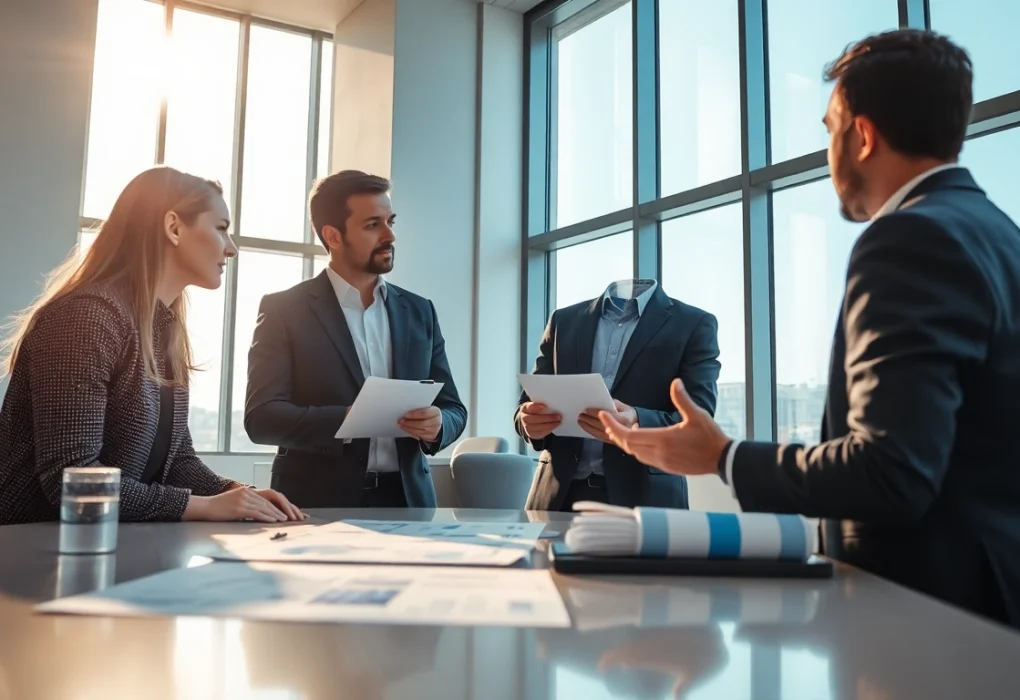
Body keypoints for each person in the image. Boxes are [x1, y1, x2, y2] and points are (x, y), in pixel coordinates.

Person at [600, 29, 1020, 628]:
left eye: (830, 129)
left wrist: (724, 456)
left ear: (864, 135)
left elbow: (891, 472)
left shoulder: (909, 237)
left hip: (926, 617)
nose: (828, 152)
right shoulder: (1001, 236)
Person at [0, 167, 304, 525]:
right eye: (221, 228)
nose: (231, 248)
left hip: (113, 546)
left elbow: (177, 461)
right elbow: (71, 477)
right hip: (31, 551)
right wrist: (207, 507)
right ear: (174, 227)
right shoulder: (85, 317)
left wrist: (239, 494)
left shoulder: (164, 330)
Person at [244, 170, 466, 508]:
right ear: (333, 236)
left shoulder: (420, 311)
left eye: (390, 221)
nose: (390, 235)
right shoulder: (283, 310)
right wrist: (347, 418)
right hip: (316, 503)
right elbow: (261, 418)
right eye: (372, 225)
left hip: (409, 502)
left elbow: (453, 407)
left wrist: (439, 425)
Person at [516, 279, 720, 511]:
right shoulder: (563, 320)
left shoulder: (694, 324)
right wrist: (527, 423)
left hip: (646, 500)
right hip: (556, 497)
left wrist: (637, 420)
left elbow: (699, 419)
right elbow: (526, 405)